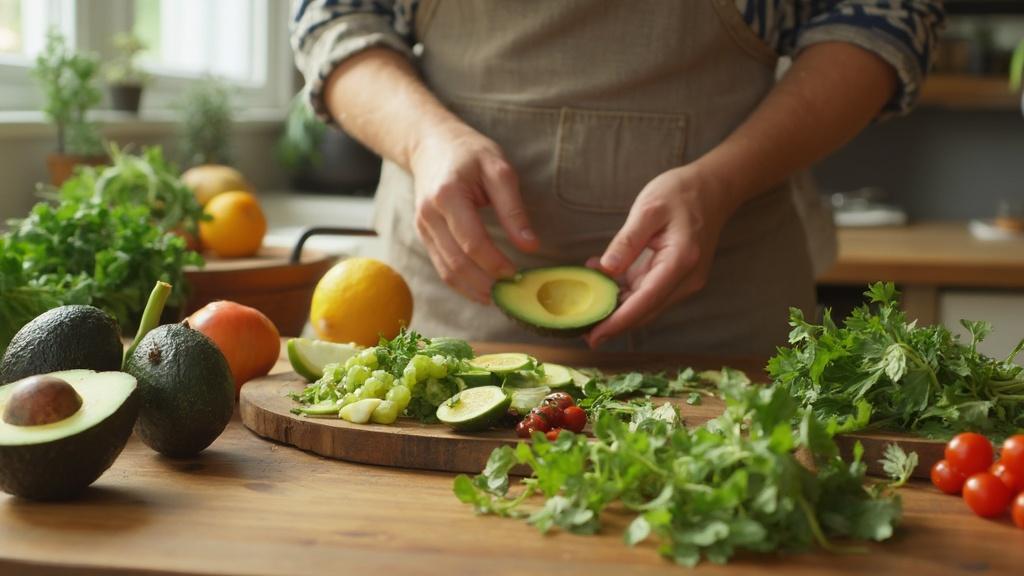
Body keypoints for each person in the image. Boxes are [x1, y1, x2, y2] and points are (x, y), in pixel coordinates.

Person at [290, 0, 944, 357]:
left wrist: (720, 182)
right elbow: (335, 15)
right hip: (448, 316)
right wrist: (424, 138)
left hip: (723, 322)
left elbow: (881, 15)